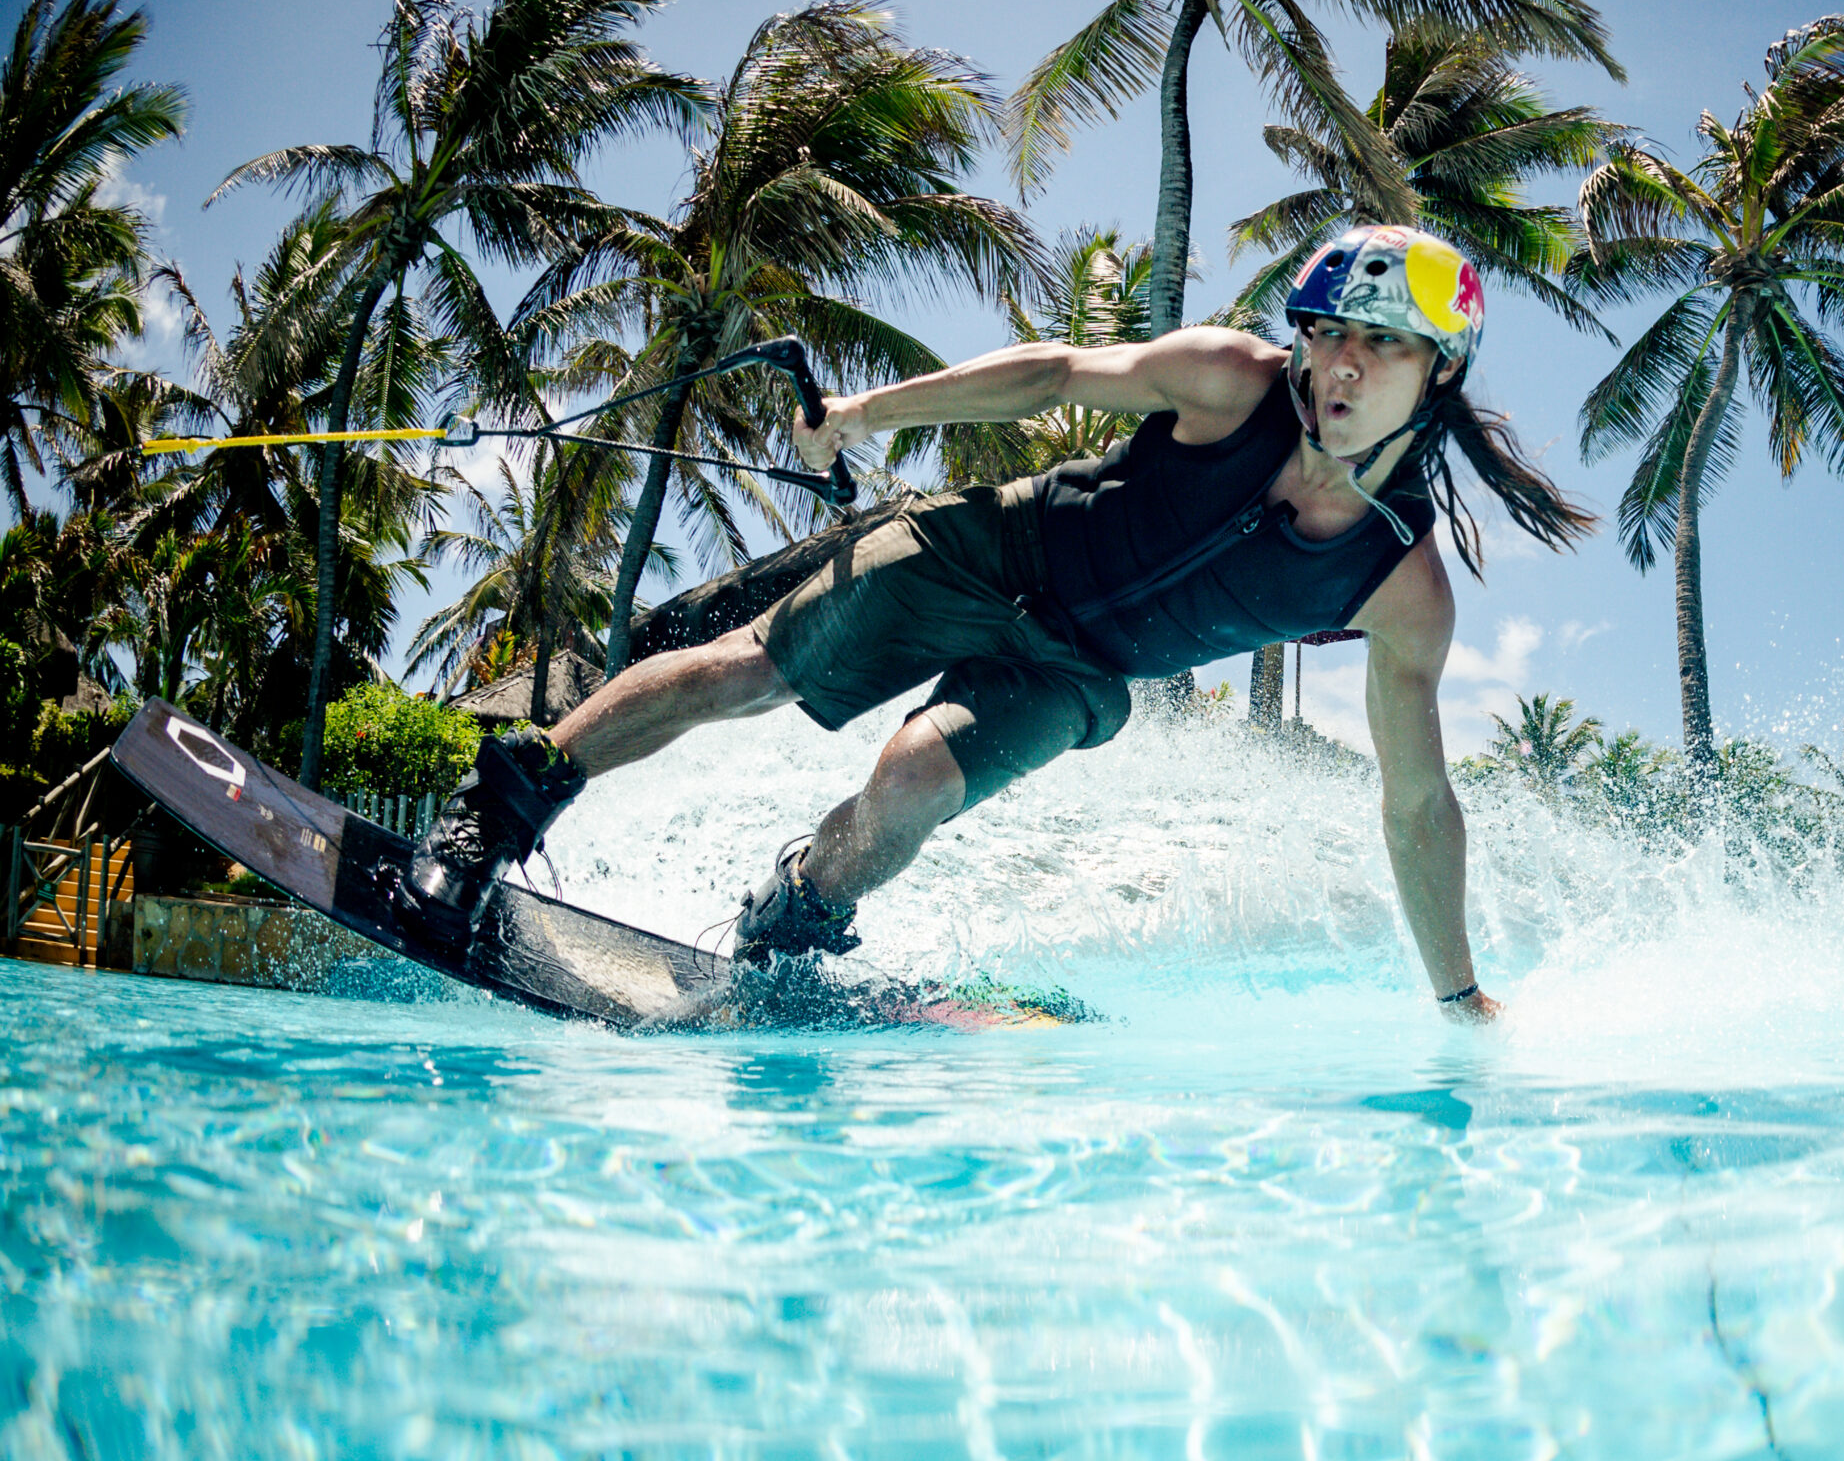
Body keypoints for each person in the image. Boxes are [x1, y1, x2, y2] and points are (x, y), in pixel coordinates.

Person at [408, 226, 1592, 1020]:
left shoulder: (1399, 585)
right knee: (746, 673)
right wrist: (866, 413)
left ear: (1438, 371)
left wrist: (1455, 998)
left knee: (913, 780)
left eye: (1379, 344)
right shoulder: (1235, 379)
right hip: (993, 546)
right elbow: (1056, 374)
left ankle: (789, 922)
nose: (1337, 366)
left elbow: (1417, 801)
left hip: (1079, 668)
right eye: (1326, 332)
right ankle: (495, 814)